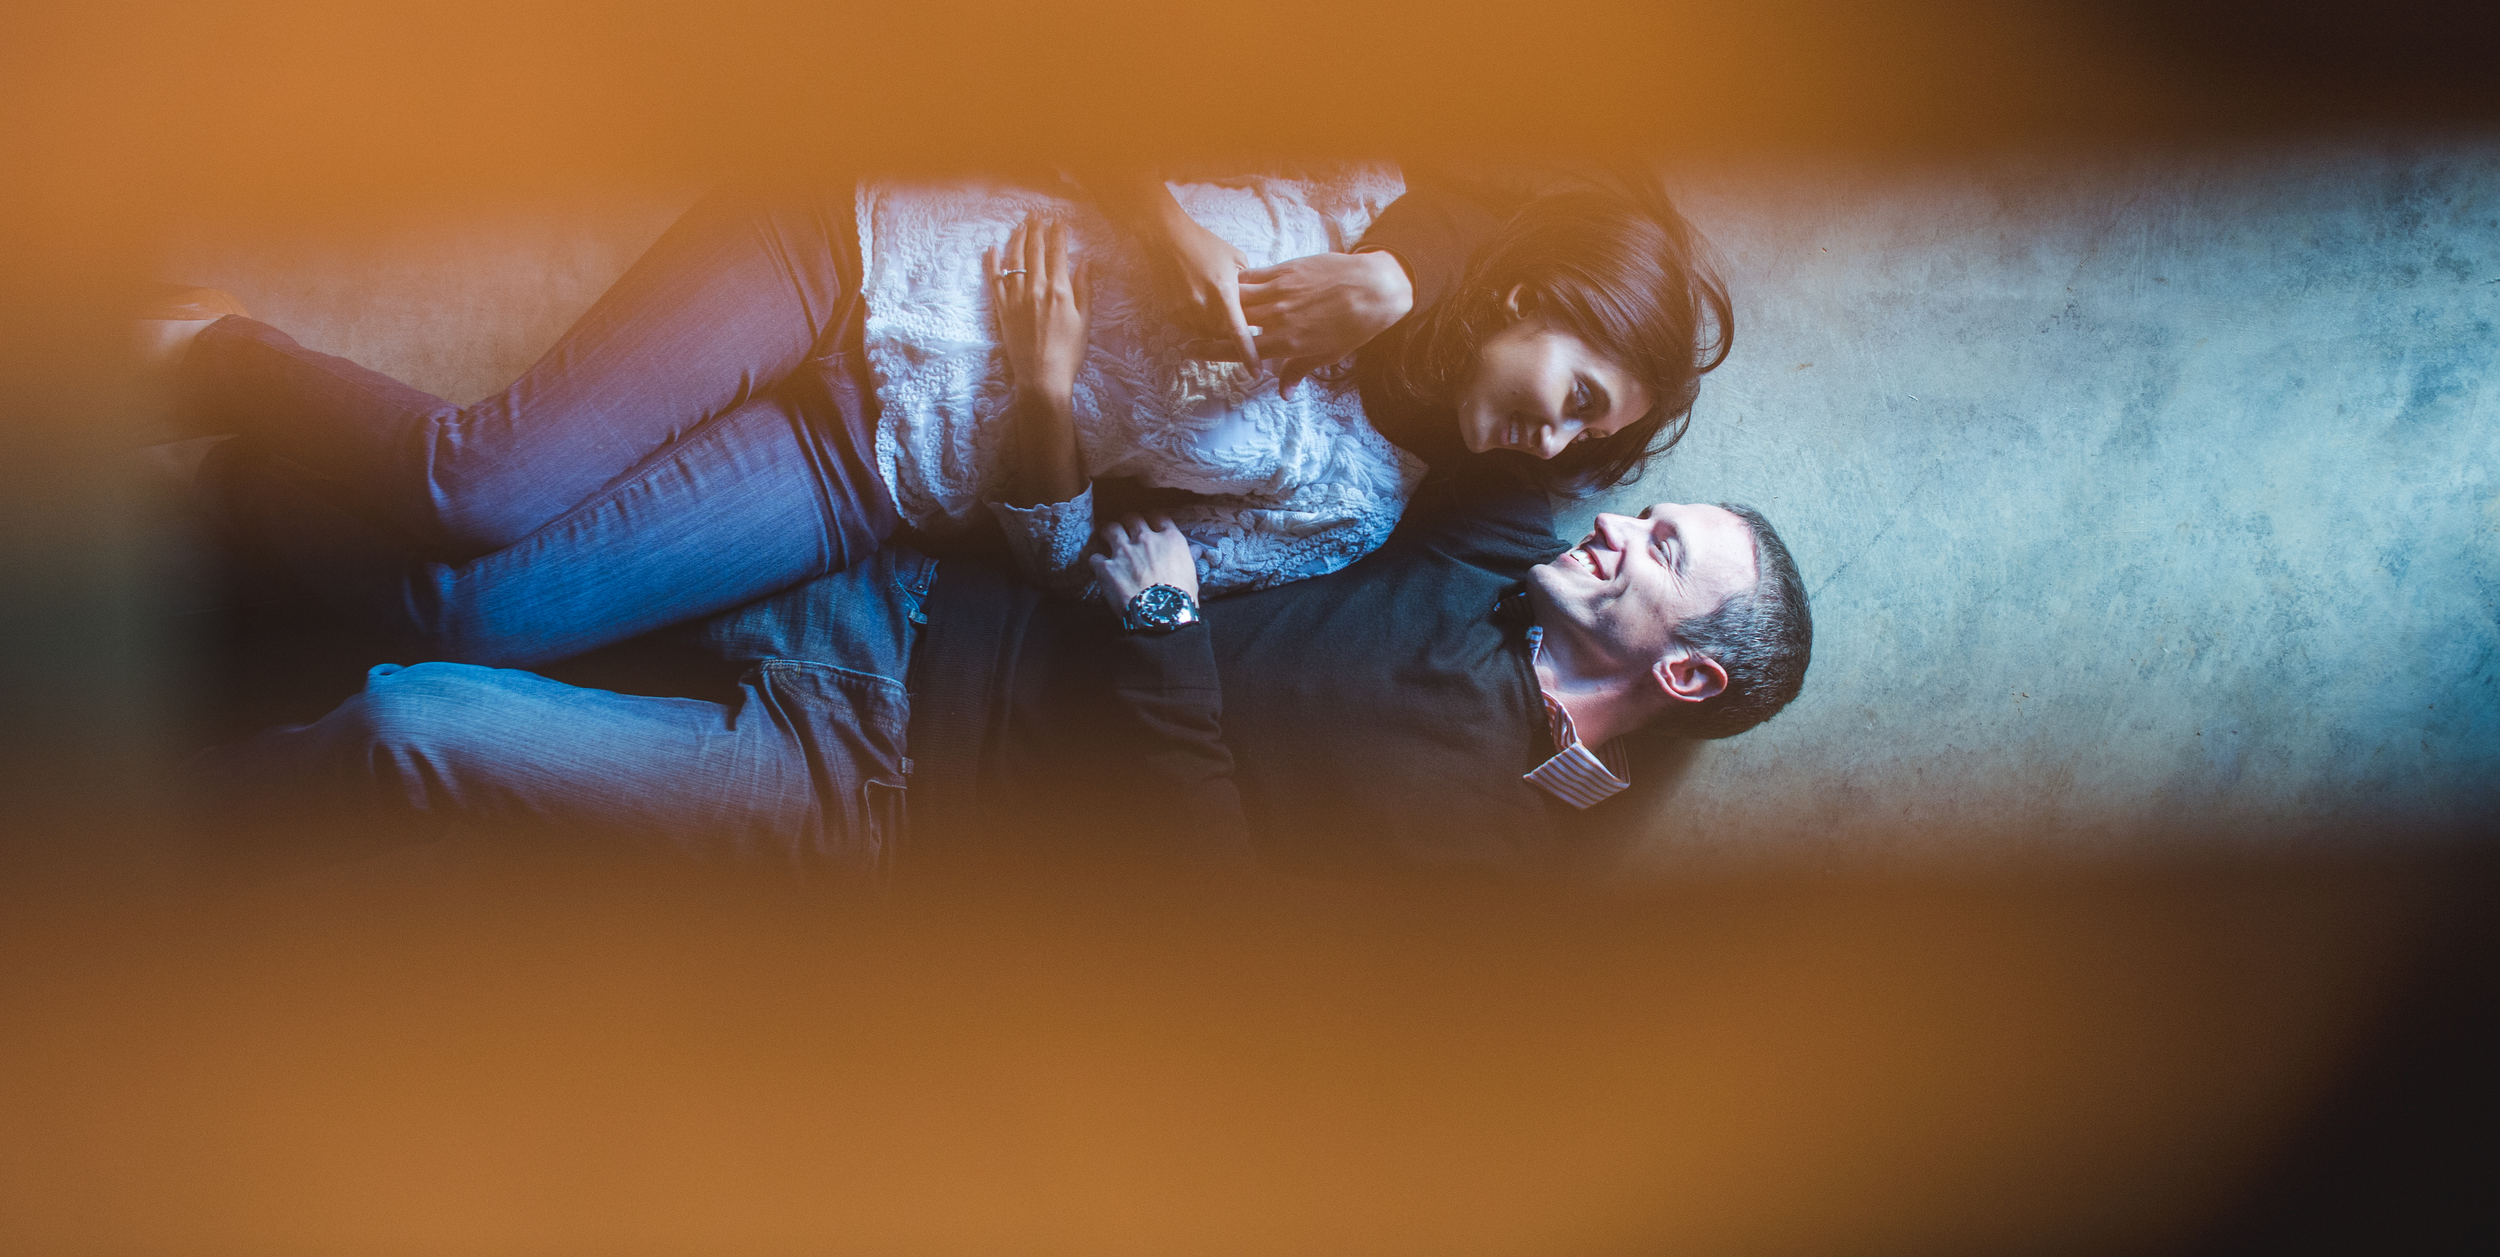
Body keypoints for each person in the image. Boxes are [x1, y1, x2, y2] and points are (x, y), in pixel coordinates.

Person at [147, 164, 1731, 667]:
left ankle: (220, 499)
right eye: (1573, 396)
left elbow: (1060, 552)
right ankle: (210, 353)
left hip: (873, 462)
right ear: (1540, 304)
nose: (1548, 444)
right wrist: (1171, 229)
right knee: (477, 484)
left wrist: (1044, 395)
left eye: (1585, 446)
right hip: (840, 256)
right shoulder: (1361, 194)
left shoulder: (1359, 503)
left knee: (481, 619)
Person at [190, 478, 1813, 882]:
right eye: (1646, 511)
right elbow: (1523, 361)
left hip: (877, 787)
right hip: (908, 593)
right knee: (470, 585)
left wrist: (1168, 631)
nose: (1618, 526)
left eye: (1658, 548)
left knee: (420, 721)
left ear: (1677, 667)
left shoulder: (1496, 832)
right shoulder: (1496, 559)